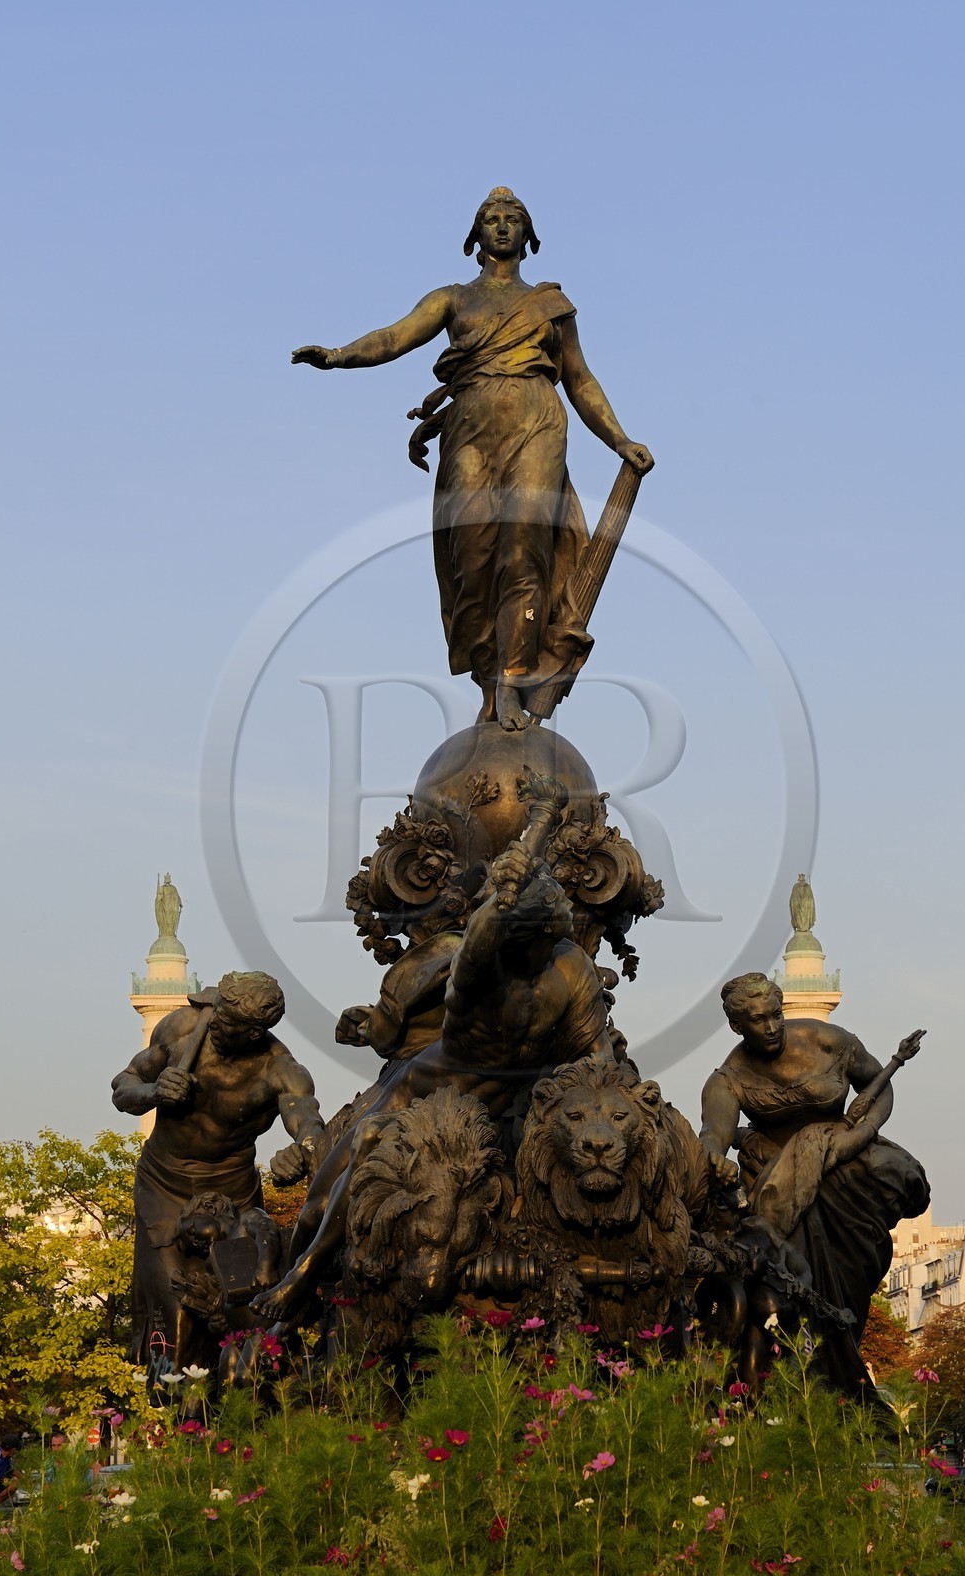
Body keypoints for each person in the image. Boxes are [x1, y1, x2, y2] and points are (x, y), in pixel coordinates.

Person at [292, 187, 653, 730]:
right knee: (474, 556)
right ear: (474, 236)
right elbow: (395, 337)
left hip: (537, 420)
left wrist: (620, 440)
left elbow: (579, 380)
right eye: (491, 218)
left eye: (513, 219)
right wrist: (341, 356)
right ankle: (488, 679)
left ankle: (511, 681)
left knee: (524, 552)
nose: (502, 225)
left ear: (529, 237)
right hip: (470, 429)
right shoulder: (453, 298)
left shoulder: (551, 305)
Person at [251, 829, 614, 1324]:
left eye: (542, 941)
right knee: (322, 1200)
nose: (529, 951)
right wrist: (524, 851)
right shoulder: (478, 968)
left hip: (483, 1116)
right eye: (519, 939)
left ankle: (300, 1287)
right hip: (417, 1098)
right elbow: (483, 931)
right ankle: (297, 1290)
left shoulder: (571, 968)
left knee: (364, 1155)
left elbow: (598, 1056)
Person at [698, 972, 929, 1394]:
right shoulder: (728, 1078)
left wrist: (859, 1135)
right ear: (737, 1025)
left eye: (774, 1015)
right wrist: (712, 1156)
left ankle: (840, 1371)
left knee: (855, 1275)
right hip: (784, 1182)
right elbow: (714, 1130)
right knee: (798, 1282)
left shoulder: (828, 1040)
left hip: (847, 1165)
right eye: (756, 1020)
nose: (770, 1028)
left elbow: (879, 1088)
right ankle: (819, 1383)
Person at [111, 971, 324, 1376]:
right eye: (219, 1017)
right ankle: (176, 1415)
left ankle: (237, 1412)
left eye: (230, 1025)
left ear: (255, 1034)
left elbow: (309, 1123)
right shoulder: (182, 1027)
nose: (218, 1027)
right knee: (175, 1314)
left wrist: (300, 1152)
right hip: (165, 1188)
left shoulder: (279, 1068)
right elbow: (123, 1087)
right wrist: (154, 1092)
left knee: (241, 1311)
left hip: (233, 1201)